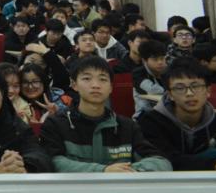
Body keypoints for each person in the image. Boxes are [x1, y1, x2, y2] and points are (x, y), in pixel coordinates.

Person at [41, 56, 171, 173]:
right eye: (87, 78)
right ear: (74, 85)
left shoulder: (127, 127)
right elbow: (54, 163)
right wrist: (103, 171)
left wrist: (127, 171)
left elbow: (161, 162)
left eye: (103, 79)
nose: (95, 85)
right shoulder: (56, 124)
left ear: (111, 87)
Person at [138, 60, 216, 170]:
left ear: (208, 91)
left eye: (196, 86)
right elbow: (167, 160)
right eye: (180, 88)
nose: (189, 93)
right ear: (170, 94)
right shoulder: (150, 122)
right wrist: (214, 164)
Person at [133, 39, 169, 116]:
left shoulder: (168, 71)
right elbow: (153, 90)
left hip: (166, 112)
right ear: (144, 60)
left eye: (162, 58)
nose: (160, 62)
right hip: (144, 114)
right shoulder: (138, 73)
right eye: (155, 59)